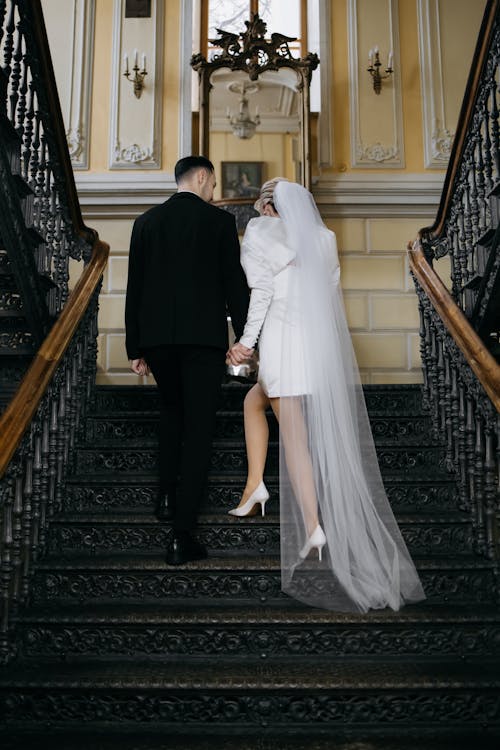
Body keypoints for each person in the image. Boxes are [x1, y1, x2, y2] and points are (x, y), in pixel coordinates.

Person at [227, 178, 426, 612]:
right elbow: (330, 291)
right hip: (314, 348)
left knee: (295, 439)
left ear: (268, 206)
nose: (260, 213)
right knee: (253, 402)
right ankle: (255, 485)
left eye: (262, 205)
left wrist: (245, 343)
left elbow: (260, 294)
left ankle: (314, 526)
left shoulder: (261, 233)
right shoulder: (324, 238)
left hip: (281, 341)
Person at [125, 156, 249, 565]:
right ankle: (181, 535)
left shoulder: (145, 223)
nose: (213, 191)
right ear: (200, 178)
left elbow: (135, 289)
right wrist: (246, 339)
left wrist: (135, 348)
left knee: (170, 410)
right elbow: (235, 285)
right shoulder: (218, 223)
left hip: (157, 341)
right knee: (198, 430)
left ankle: (164, 497)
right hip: (202, 342)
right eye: (212, 184)